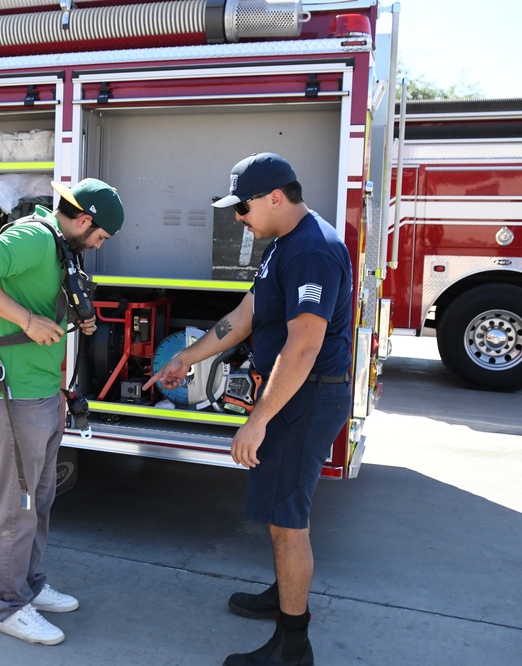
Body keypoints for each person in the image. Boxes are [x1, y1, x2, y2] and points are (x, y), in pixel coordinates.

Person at [145, 153, 353, 666]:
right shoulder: (283, 246)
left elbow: (304, 345)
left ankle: (292, 646)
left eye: (243, 207)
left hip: (304, 396)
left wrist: (257, 419)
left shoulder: (312, 251)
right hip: (293, 393)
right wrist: (184, 361)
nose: (238, 218)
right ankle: (283, 599)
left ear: (275, 197)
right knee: (280, 513)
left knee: (288, 520)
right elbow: (245, 316)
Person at [0, 178, 125, 646]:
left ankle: (31, 585)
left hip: (41, 395)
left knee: (39, 501)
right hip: (11, 397)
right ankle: (10, 607)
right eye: (101, 237)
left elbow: (44, 298)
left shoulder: (62, 247)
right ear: (85, 220)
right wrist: (26, 320)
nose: (99, 245)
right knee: (17, 506)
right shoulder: (32, 238)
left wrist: (77, 318)